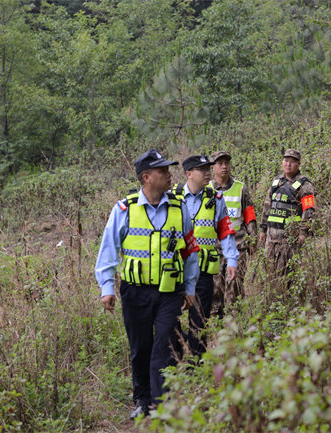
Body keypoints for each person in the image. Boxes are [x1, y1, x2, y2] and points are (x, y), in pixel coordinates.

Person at [95, 149, 200, 420]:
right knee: (140, 348)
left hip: (168, 292)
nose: (168, 174)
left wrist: (189, 288)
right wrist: (107, 288)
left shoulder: (180, 208)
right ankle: (142, 400)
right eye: (162, 171)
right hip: (135, 292)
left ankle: (159, 405)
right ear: (146, 177)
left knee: (164, 346)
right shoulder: (124, 209)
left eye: (168, 169)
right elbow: (108, 252)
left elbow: (191, 252)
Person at [172, 155, 238, 357]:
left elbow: (225, 231)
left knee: (199, 321)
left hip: (203, 270)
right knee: (169, 318)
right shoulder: (173, 197)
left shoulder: (215, 198)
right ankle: (174, 357)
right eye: (202, 169)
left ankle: (196, 365)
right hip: (176, 268)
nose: (208, 172)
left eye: (208, 168)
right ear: (189, 174)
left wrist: (231, 260)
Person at [209, 150, 257, 314]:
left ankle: (234, 321)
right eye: (220, 163)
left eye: (226, 163)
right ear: (213, 167)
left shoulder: (240, 188)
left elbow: (249, 215)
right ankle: (216, 323)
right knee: (215, 288)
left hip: (238, 246)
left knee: (234, 286)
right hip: (215, 248)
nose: (224, 167)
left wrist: (253, 239)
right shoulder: (207, 190)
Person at [258, 149, 316, 277]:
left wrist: (303, 232)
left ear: (299, 164)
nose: (288, 164)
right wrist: (262, 230)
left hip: (290, 238)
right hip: (271, 237)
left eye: (292, 162)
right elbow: (267, 206)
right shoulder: (276, 182)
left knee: (288, 274)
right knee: (269, 272)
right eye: (286, 161)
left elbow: (309, 210)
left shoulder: (304, 184)